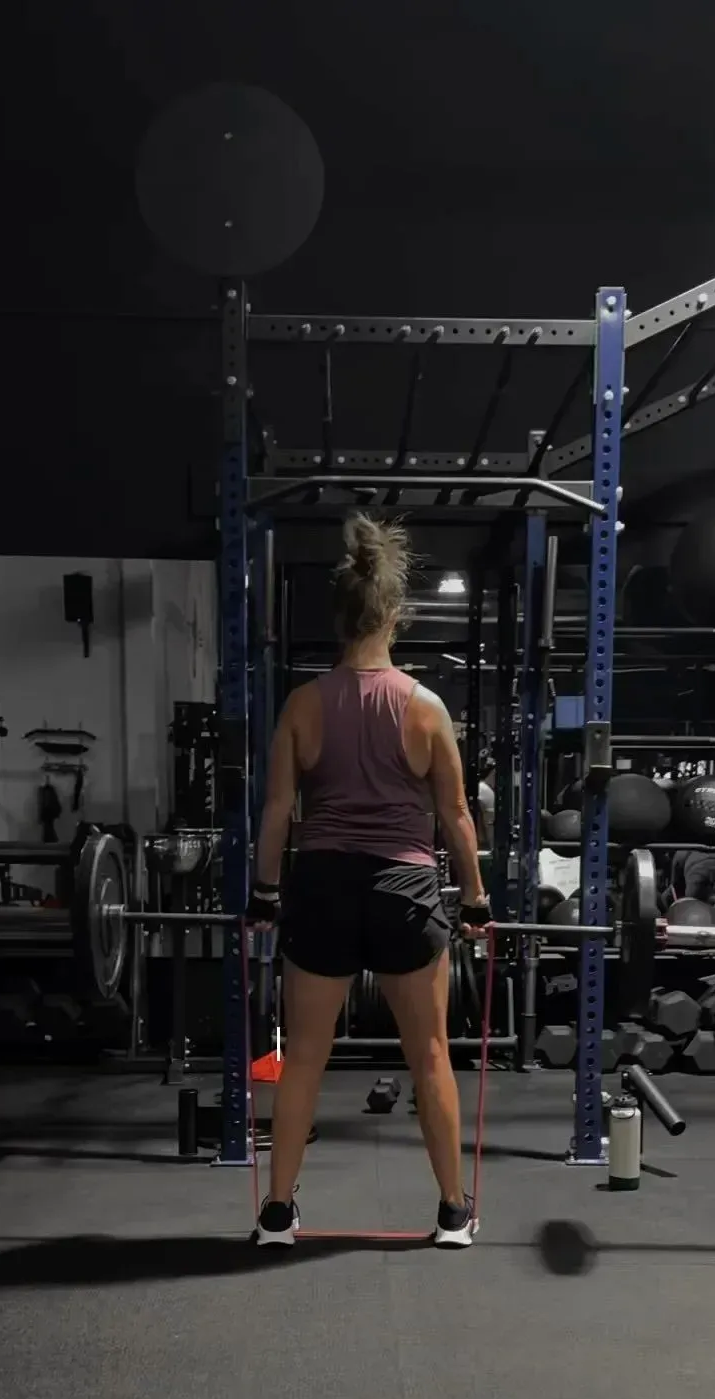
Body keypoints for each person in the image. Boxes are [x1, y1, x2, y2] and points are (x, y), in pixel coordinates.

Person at [245, 514, 490, 1249]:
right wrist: (475, 900)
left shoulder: (302, 705)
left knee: (305, 1058)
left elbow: (279, 811)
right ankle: (452, 1213)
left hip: (321, 887)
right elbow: (454, 815)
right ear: (392, 614)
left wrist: (263, 895)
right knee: (431, 1056)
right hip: (404, 894)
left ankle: (279, 1215)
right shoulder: (425, 707)